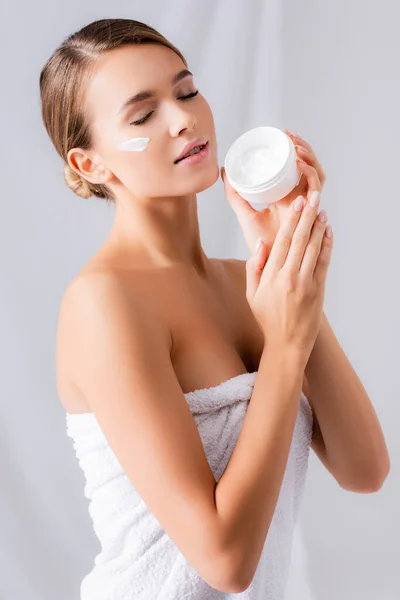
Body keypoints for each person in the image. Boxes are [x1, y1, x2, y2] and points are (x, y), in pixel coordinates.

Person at [40, 18, 333, 599]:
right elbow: (225, 563)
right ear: (90, 165)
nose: (183, 119)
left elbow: (364, 469)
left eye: (187, 89)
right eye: (143, 115)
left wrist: (292, 268)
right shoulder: (103, 303)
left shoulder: (245, 282)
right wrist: (287, 346)